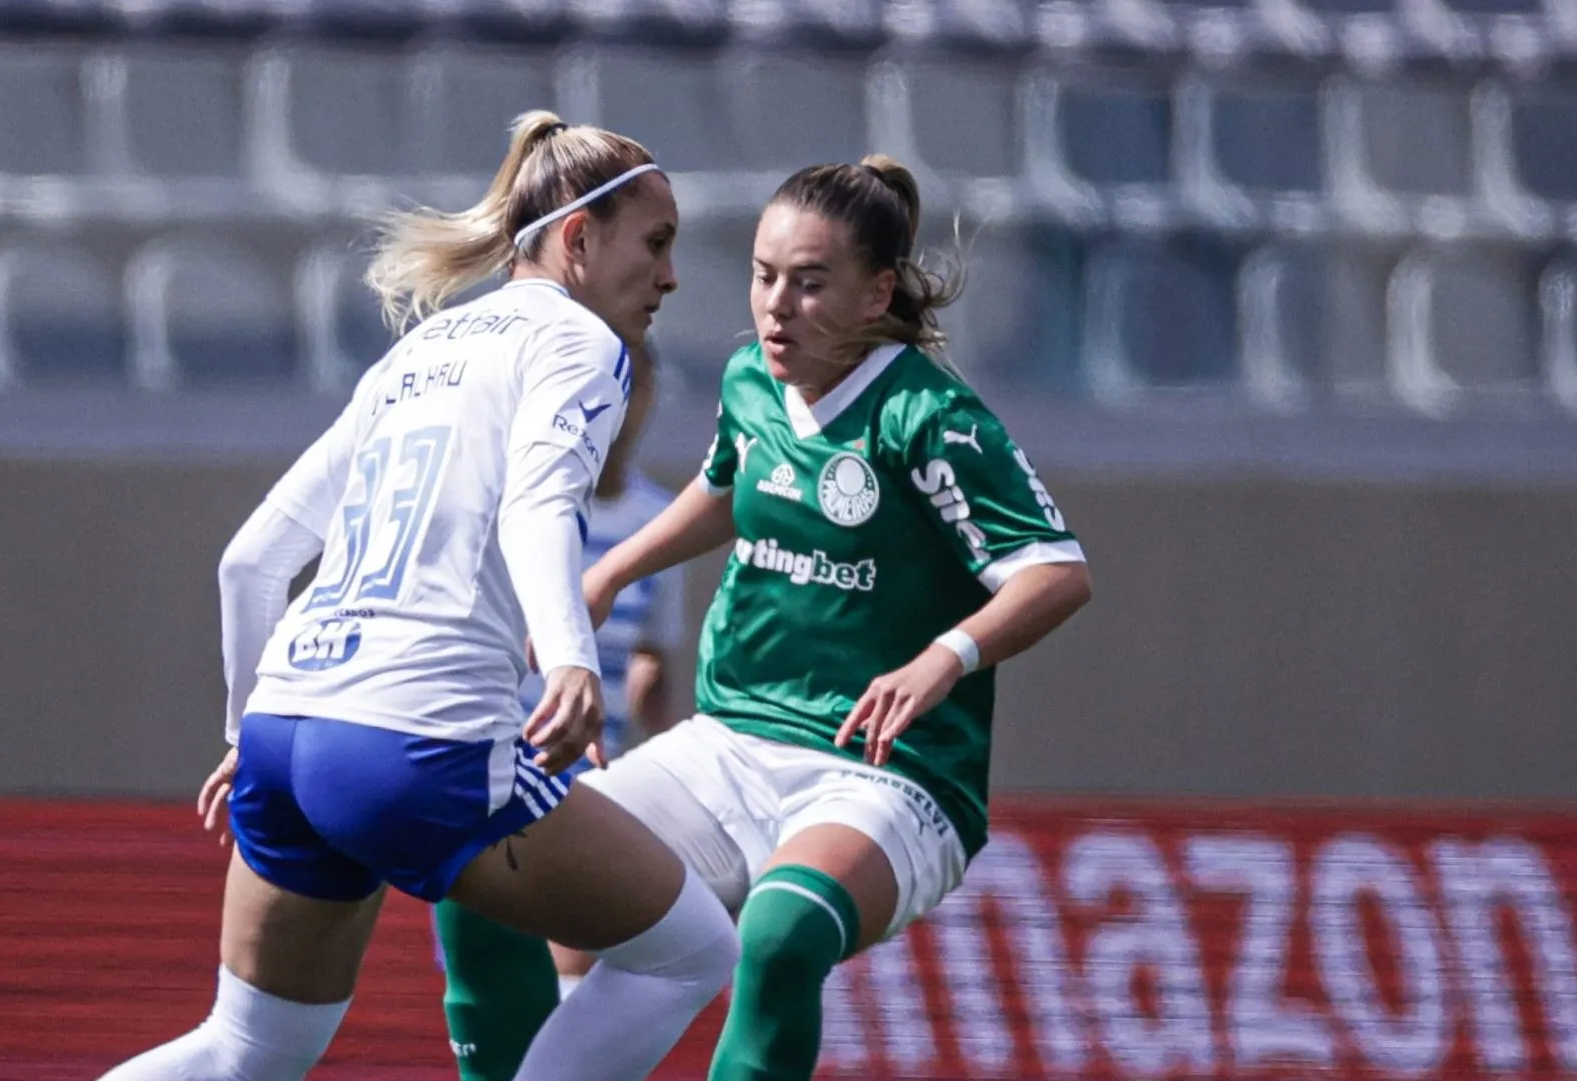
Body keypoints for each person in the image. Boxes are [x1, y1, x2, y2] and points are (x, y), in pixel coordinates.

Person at [98, 111, 738, 1081]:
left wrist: (243, 733)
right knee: (694, 948)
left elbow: (252, 561)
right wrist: (568, 655)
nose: (671, 276)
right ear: (578, 238)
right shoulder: (577, 341)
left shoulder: (414, 354)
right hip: (418, 743)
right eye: (656, 244)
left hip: (285, 729)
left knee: (248, 1049)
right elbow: (537, 497)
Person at [434, 154, 1093, 1081]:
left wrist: (943, 657)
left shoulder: (931, 417)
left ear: (878, 294)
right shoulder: (752, 380)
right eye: (764, 274)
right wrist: (613, 571)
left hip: (884, 774)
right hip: (728, 746)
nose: (776, 304)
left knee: (781, 935)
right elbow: (731, 487)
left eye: (811, 282)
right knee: (485, 864)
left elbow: (1057, 572)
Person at [518, 335, 687, 996]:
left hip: (590, 771)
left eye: (633, 386)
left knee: (572, 960)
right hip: (502, 765)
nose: (618, 406)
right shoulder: (534, 507)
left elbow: (651, 655)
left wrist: (670, 758)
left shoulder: (662, 521)